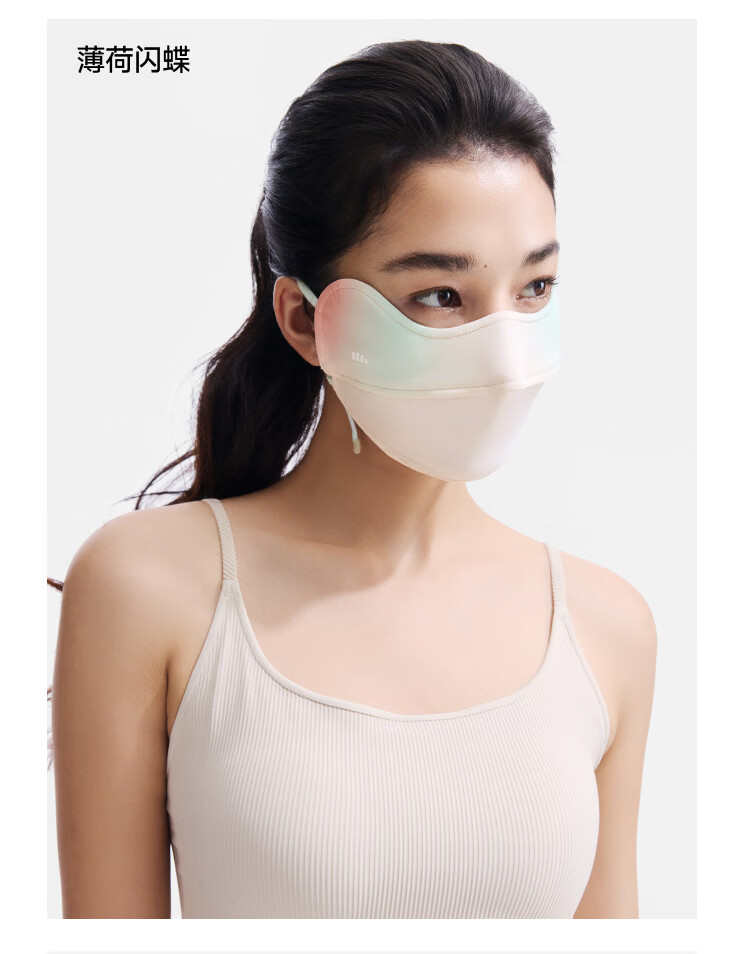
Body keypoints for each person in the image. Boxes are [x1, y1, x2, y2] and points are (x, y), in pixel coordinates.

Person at [50, 39, 656, 919]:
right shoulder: (148, 587)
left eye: (535, 287)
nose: (504, 350)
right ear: (303, 319)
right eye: (440, 295)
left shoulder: (605, 627)